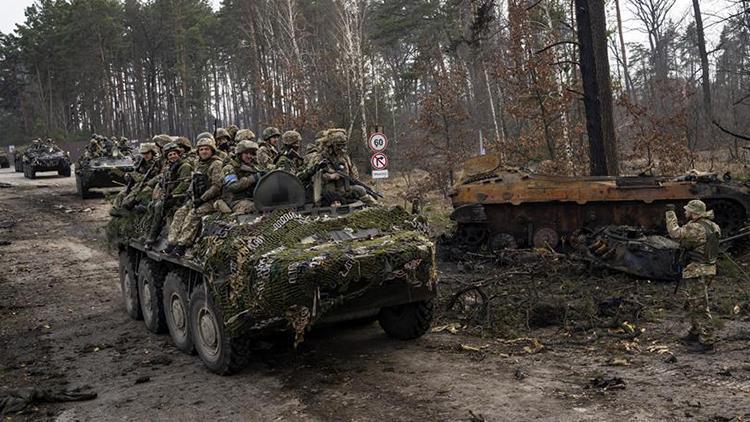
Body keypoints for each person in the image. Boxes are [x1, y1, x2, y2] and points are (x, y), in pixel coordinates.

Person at [666, 199, 721, 350]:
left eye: (687, 210)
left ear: (694, 212)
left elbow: (675, 233)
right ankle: (695, 332)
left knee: (699, 306)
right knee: (693, 302)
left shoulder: (696, 227)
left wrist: (670, 214)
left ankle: (707, 340)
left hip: (698, 270)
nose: (685, 212)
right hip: (706, 268)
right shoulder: (712, 225)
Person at [165, 136, 224, 256]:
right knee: (180, 213)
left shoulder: (216, 164)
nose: (204, 152)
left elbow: (216, 186)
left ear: (211, 150)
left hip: (212, 200)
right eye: (201, 149)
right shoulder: (198, 163)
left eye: (206, 149)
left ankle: (182, 245)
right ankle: (172, 242)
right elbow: (194, 182)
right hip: (197, 197)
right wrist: (188, 195)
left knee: (193, 215)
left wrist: (202, 199)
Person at [309, 128, 375, 206]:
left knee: (362, 190)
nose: (342, 148)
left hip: (343, 188)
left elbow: (352, 174)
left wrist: (352, 179)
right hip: (328, 191)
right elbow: (314, 176)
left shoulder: (344, 158)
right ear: (331, 145)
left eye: (343, 145)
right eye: (339, 145)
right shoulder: (320, 157)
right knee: (360, 190)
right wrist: (330, 176)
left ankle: (377, 207)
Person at [145, 142, 193, 249]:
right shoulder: (169, 168)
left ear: (179, 154)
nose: (173, 156)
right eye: (170, 155)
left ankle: (152, 236)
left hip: (181, 197)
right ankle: (149, 231)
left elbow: (185, 184)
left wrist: (172, 195)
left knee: (159, 206)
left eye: (174, 154)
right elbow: (164, 181)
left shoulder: (184, 166)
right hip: (170, 196)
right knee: (153, 205)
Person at [220, 140, 263, 214]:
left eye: (252, 153)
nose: (249, 156)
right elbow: (232, 187)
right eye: (246, 153)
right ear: (239, 154)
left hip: (252, 198)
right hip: (235, 201)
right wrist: (252, 178)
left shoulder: (254, 167)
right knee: (255, 207)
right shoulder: (229, 167)